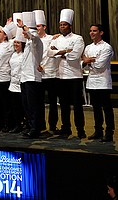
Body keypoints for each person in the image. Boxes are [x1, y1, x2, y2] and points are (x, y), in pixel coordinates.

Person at [47, 9, 86, 138]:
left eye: (64, 24)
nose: (62, 27)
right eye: (61, 25)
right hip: (60, 76)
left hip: (74, 76)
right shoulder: (56, 39)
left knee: (77, 105)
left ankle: (80, 130)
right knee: (63, 106)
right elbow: (49, 53)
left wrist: (58, 52)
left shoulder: (78, 38)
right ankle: (66, 129)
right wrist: (65, 51)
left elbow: (75, 56)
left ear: (70, 26)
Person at [82, 24, 114, 142]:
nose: (92, 33)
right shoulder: (88, 47)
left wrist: (88, 60)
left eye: (94, 31)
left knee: (106, 108)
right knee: (96, 108)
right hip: (92, 81)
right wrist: (90, 60)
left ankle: (109, 132)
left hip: (103, 81)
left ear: (101, 32)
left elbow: (100, 65)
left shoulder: (107, 47)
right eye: (90, 31)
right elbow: (84, 65)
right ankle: (98, 131)